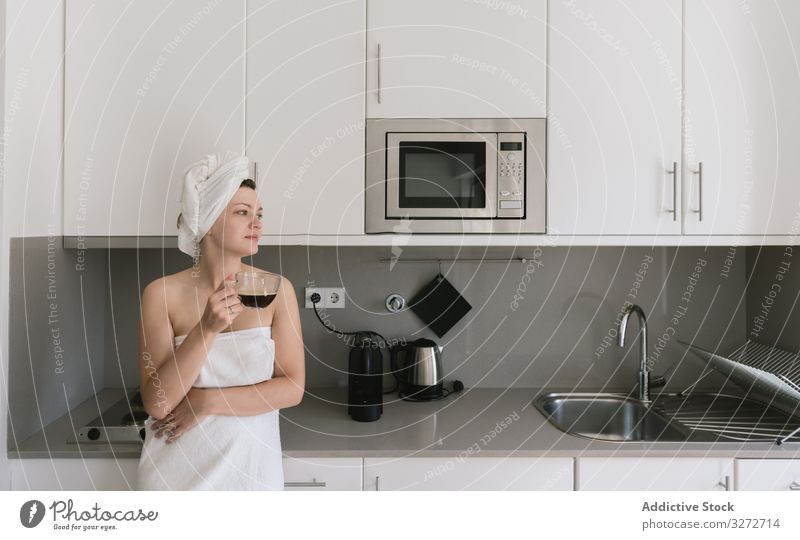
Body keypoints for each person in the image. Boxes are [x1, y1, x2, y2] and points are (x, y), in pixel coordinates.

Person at [136, 151, 305, 490]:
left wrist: (208, 401)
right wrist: (207, 328)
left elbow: (292, 388)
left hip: (251, 475)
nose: (256, 223)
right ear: (209, 223)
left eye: (259, 214)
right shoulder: (161, 294)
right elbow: (158, 403)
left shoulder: (276, 290)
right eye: (242, 213)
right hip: (176, 477)